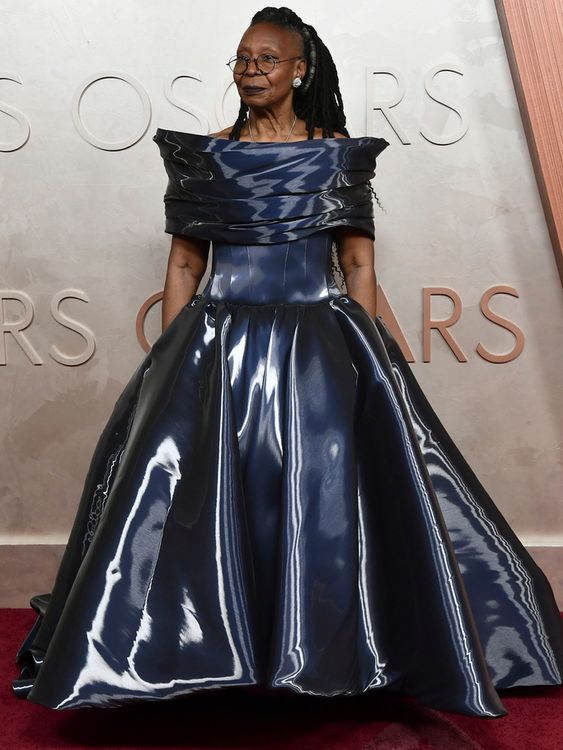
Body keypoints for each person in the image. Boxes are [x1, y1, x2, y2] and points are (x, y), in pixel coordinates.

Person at [11, 5, 563, 717]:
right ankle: (200, 653)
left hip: (318, 347)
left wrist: (374, 359)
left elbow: (356, 262)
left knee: (322, 503)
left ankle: (336, 653)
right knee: (198, 508)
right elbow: (184, 264)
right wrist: (169, 365)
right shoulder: (205, 153)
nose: (249, 70)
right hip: (218, 345)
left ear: (299, 68)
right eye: (241, 59)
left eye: (265, 59)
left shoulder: (336, 153)